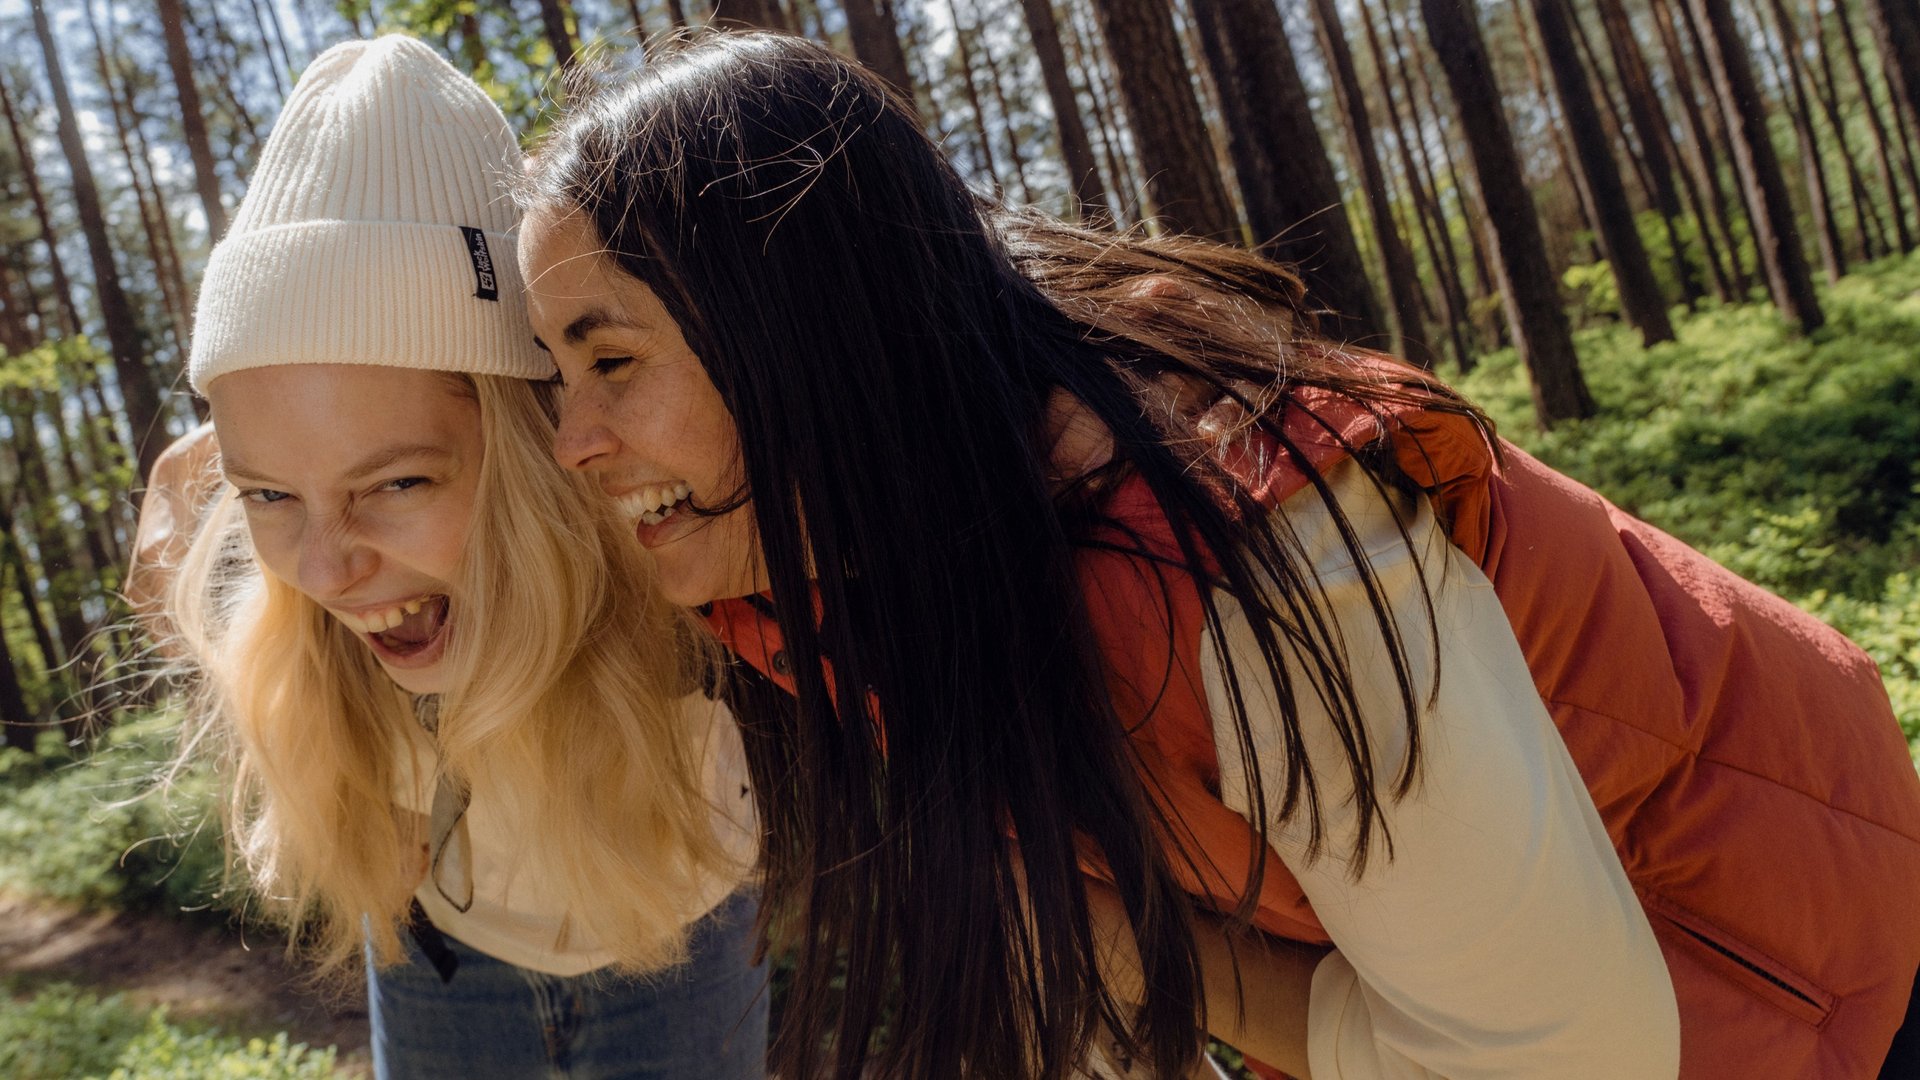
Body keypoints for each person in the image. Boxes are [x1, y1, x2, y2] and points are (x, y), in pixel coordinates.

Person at [514, 31, 1920, 1080]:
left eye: (611, 360)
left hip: (1802, 976)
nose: (572, 442)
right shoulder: (834, 555)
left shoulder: (1261, 558)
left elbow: (1561, 1057)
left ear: (812, 333)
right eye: (548, 382)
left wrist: (1159, 958)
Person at [136, 37, 767, 1079]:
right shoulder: (294, 577)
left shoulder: (680, 527)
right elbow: (219, 607)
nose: (330, 571)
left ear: (536, 444)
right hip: (441, 962)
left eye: (398, 483)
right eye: (271, 494)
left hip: (682, 930)